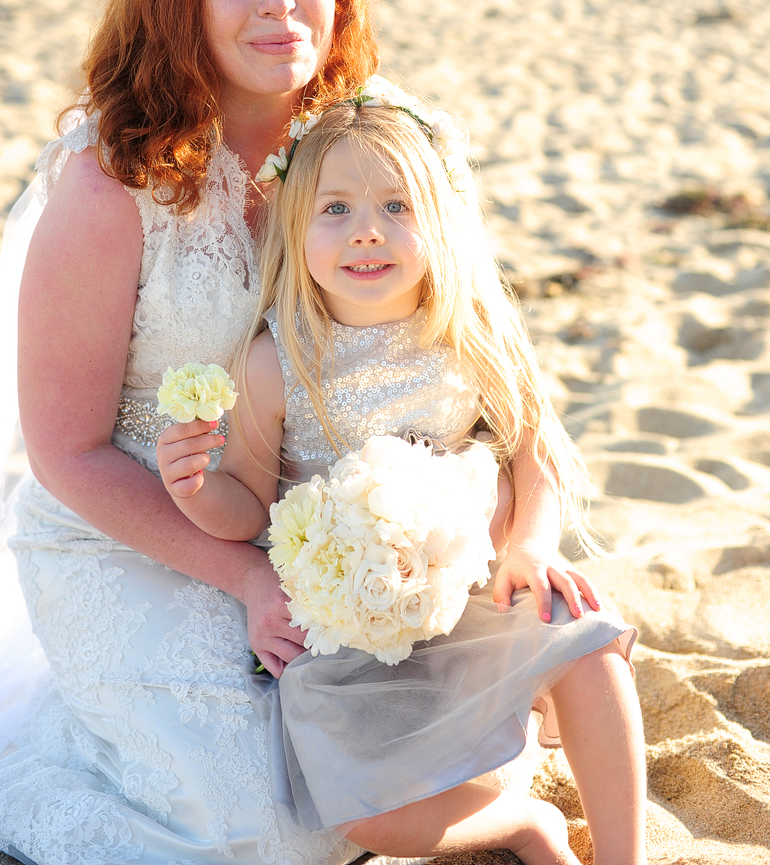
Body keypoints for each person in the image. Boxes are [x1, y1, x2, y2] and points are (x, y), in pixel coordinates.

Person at [0, 0, 378, 865]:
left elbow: (470, 358)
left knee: (408, 757)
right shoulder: (111, 188)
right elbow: (67, 452)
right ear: (174, 1)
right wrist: (242, 579)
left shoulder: (366, 148)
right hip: (129, 532)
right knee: (250, 823)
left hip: (308, 513)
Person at [157, 89, 646, 865]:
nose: (368, 231)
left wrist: (529, 543)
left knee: (586, 637)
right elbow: (245, 504)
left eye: (396, 205)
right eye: (337, 209)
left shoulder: (469, 333)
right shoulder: (276, 361)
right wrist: (193, 486)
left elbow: (535, 454)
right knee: (365, 821)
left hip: (483, 594)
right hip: (359, 634)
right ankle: (524, 824)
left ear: (438, 221)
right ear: (295, 224)